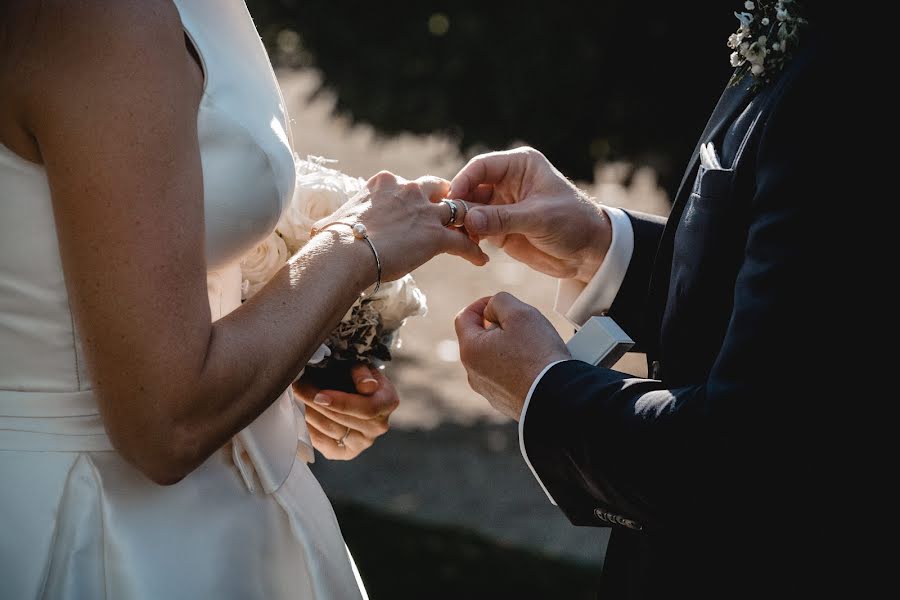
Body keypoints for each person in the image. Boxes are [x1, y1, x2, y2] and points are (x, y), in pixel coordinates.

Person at [0, 1, 484, 598]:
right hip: (109, 528)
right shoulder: (105, 19)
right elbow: (165, 424)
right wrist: (357, 246)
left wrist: (302, 347)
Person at [453, 11, 845, 598]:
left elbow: (740, 457)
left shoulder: (849, 75)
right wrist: (601, 246)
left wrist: (546, 391)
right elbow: (808, 304)